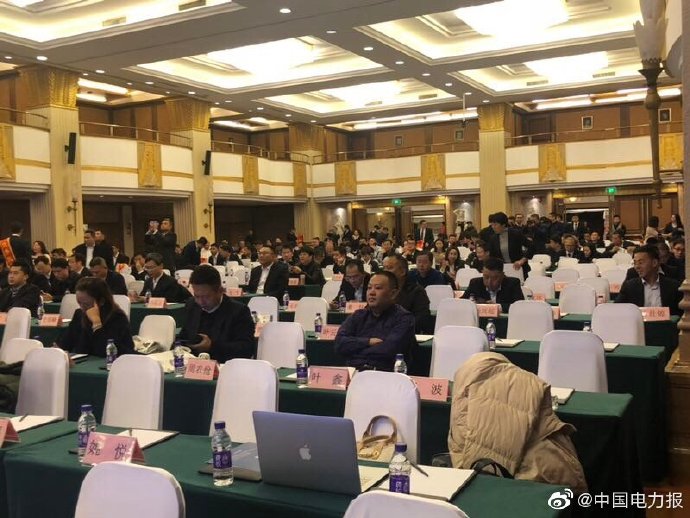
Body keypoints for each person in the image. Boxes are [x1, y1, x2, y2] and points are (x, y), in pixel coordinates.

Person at [334, 270, 416, 372]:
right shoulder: (358, 316)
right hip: (355, 373)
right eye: (369, 288)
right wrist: (368, 342)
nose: (371, 293)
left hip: (386, 375)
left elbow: (388, 350)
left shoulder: (404, 318)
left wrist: (354, 350)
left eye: (378, 288)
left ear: (393, 294)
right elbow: (339, 344)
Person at [177, 265, 254, 362]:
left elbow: (246, 348)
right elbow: (184, 335)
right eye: (197, 296)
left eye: (206, 297)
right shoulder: (192, 305)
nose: (201, 302)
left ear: (220, 291)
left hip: (224, 364)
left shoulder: (238, 311)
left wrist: (212, 346)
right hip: (193, 363)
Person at [56, 277, 134, 357]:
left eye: (86, 304)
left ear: (101, 301)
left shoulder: (117, 317)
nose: (82, 307)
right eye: (79, 303)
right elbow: (65, 344)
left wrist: (96, 322)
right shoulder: (79, 314)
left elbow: (106, 351)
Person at [616, 244, 682, 316]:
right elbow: (617, 309)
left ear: (654, 263)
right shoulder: (629, 286)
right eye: (635, 263)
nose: (637, 266)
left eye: (640, 262)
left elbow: (680, 314)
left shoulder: (673, 286)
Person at [382, 254, 431, 333]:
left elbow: (421, 320)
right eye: (384, 268)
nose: (385, 272)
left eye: (389, 268)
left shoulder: (416, 292)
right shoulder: (380, 290)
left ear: (402, 271)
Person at [487, 212, 532, 276]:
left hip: (518, 268)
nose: (493, 227)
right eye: (492, 225)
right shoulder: (493, 238)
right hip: (503, 269)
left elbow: (531, 246)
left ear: (503, 224)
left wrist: (522, 260)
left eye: (495, 225)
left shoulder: (515, 234)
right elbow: (492, 255)